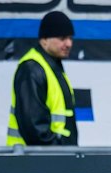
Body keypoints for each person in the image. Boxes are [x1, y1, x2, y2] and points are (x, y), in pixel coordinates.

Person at [6, 10, 76, 147]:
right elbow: (34, 128)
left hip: (48, 160)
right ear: (44, 41)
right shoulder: (31, 69)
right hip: (35, 161)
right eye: (62, 38)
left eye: (70, 38)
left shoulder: (51, 66)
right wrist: (59, 152)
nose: (69, 44)